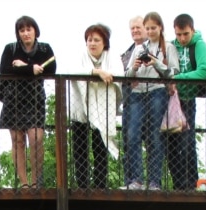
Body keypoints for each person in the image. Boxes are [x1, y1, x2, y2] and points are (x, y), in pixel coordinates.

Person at [0, 16, 55, 189]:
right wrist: (30, 69)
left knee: (36, 137)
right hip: (14, 98)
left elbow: (51, 69)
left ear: (35, 31)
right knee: (18, 140)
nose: (25, 33)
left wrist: (22, 66)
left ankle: (37, 181)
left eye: (28, 29)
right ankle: (24, 183)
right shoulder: (10, 48)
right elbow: (4, 70)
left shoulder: (45, 48)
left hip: (35, 97)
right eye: (21, 30)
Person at [123, 12, 176, 191]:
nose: (151, 31)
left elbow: (173, 73)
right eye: (148, 28)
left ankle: (154, 181)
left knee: (155, 136)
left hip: (157, 92)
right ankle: (135, 179)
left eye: (154, 27)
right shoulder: (139, 48)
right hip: (138, 93)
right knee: (132, 134)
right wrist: (135, 67)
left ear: (160, 28)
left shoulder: (168, 47)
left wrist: (155, 63)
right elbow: (127, 75)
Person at [69, 23, 120, 190]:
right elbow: (73, 70)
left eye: (96, 40)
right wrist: (96, 72)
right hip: (80, 108)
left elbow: (118, 74)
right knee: (80, 147)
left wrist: (105, 74)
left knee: (100, 147)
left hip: (103, 108)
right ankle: (82, 185)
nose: (92, 43)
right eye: (89, 40)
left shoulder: (111, 57)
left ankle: (100, 185)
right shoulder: (80, 55)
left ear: (104, 42)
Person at [168, 14, 206, 191]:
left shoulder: (199, 45)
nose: (182, 38)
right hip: (171, 100)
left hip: (188, 99)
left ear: (192, 30)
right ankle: (179, 183)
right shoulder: (171, 45)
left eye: (186, 34)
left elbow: (202, 71)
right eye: (179, 35)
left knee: (186, 141)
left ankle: (191, 183)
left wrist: (178, 78)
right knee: (170, 142)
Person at [119, 16, 145, 176]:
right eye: (132, 28)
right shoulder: (126, 54)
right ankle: (132, 179)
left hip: (150, 99)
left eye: (138, 27)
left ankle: (153, 182)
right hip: (130, 101)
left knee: (152, 140)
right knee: (129, 139)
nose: (135, 30)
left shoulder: (156, 48)